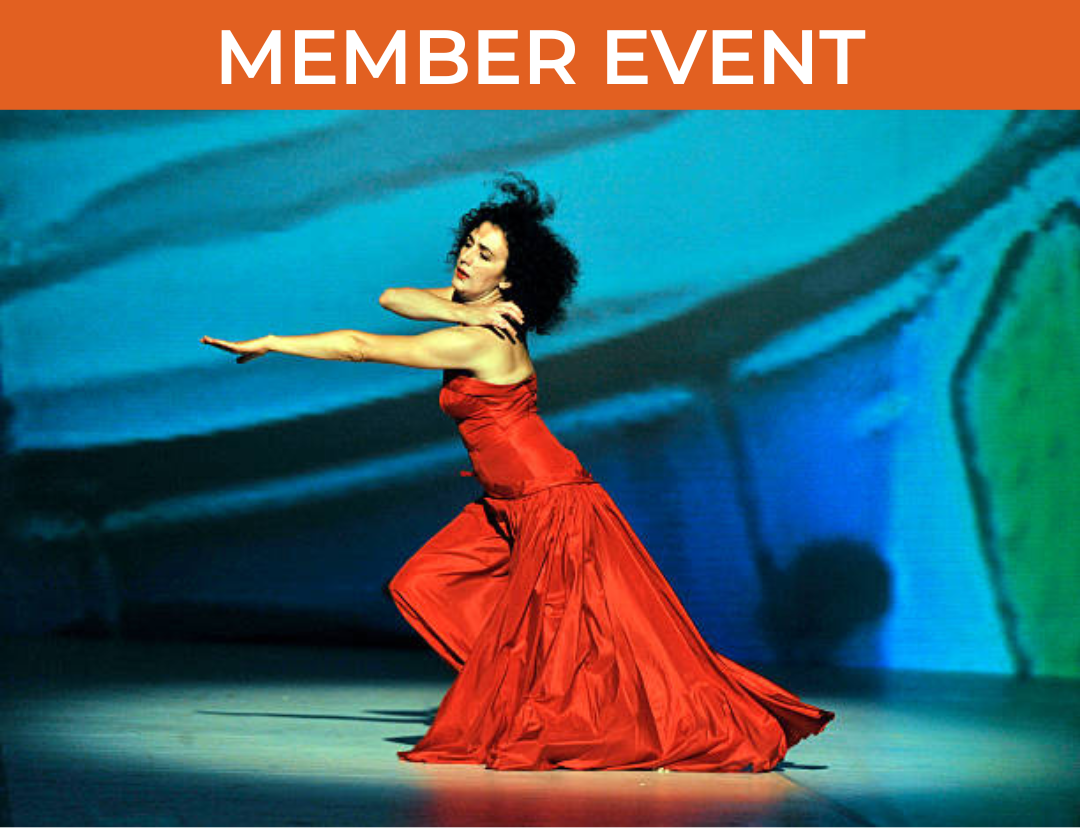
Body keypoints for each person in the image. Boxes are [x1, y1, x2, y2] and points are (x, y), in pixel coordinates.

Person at [201, 173, 835, 772]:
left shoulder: (487, 340)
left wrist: (272, 343)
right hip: (503, 502)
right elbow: (390, 298)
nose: (467, 260)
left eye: (486, 256)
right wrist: (460, 308)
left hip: (548, 500)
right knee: (423, 584)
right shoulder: (470, 315)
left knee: (618, 639)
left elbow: (364, 344)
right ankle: (522, 691)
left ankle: (564, 709)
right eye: (470, 246)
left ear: (511, 279)